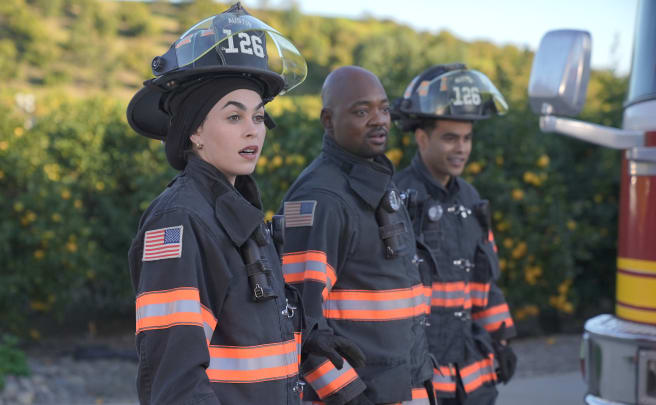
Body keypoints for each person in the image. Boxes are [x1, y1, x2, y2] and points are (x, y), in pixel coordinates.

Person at [125, 4, 363, 404]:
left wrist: (313, 344)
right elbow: (176, 381)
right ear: (194, 131)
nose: (252, 131)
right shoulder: (181, 221)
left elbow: (253, 337)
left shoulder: (241, 216)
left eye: (258, 117)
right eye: (234, 118)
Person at [279, 65, 435, 405]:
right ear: (327, 120)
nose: (378, 119)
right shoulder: (320, 197)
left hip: (402, 385)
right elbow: (295, 318)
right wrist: (348, 396)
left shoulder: (376, 181)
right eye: (362, 111)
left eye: (384, 108)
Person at [391, 64, 518, 405]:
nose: (461, 148)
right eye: (450, 137)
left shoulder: (471, 200)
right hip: (421, 374)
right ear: (422, 138)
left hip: (471, 375)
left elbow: (484, 280)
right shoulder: (395, 198)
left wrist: (501, 340)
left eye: (467, 138)